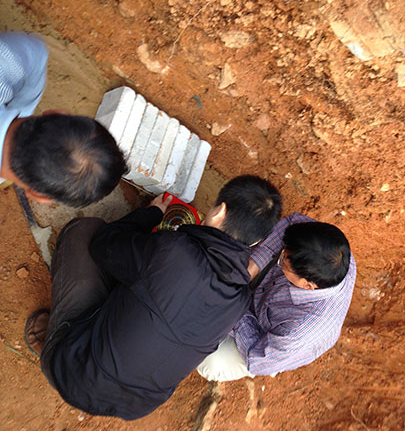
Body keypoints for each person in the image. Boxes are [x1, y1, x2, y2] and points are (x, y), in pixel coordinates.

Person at [24, 175, 282, 420]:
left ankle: (52, 344)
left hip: (73, 373)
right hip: (134, 406)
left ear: (220, 211)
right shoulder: (238, 302)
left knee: (84, 232)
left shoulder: (174, 250)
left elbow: (103, 245)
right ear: (255, 242)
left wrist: (150, 215)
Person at [196, 213, 356, 381]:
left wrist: (233, 300)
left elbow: (256, 358)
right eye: (283, 252)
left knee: (212, 361)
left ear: (307, 285)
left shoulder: (297, 332)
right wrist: (251, 269)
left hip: (262, 339)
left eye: (283, 262)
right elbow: (291, 223)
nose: (280, 258)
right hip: (264, 291)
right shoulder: (331, 247)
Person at [0, 31, 127, 207]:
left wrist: (21, 108)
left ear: (56, 112)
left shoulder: (9, 60)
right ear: (38, 195)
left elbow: (34, 52)